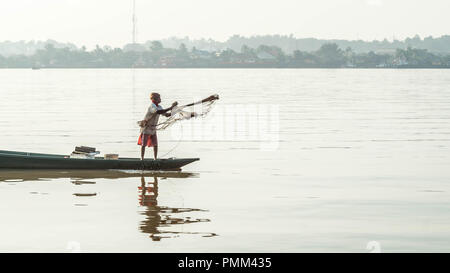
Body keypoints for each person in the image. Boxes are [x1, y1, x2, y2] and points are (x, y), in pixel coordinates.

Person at [138, 92, 177, 160]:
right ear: (154, 99)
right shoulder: (152, 106)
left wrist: (174, 110)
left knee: (155, 145)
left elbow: (166, 114)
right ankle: (142, 159)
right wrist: (171, 107)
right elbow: (158, 112)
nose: (160, 99)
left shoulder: (159, 107)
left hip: (153, 128)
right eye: (159, 98)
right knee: (143, 144)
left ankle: (155, 158)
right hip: (146, 128)